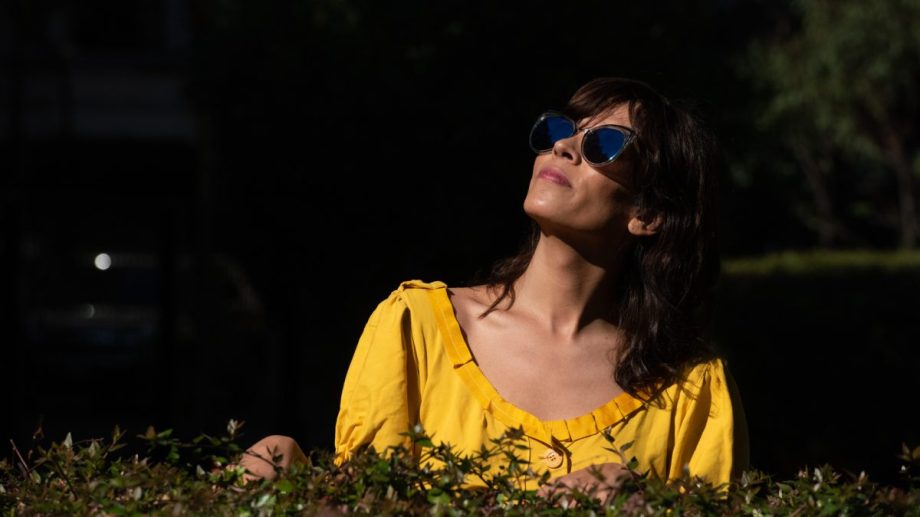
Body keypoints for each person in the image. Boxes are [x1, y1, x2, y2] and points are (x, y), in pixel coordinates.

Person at [241, 77, 749, 495]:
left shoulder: (692, 393)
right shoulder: (417, 329)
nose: (563, 147)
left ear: (649, 213)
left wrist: (637, 503)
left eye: (604, 144)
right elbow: (367, 505)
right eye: (561, 130)